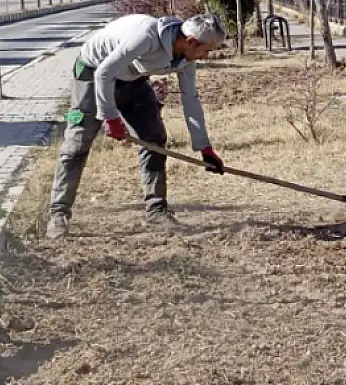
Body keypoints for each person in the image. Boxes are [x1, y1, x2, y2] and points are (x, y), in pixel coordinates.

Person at [47, 12, 228, 238]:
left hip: (132, 78)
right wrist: (110, 117)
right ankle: (58, 214)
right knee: (78, 143)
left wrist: (204, 147)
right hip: (93, 71)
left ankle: (157, 211)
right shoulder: (146, 37)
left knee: (154, 138)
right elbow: (104, 73)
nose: (205, 56)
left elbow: (190, 99)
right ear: (191, 41)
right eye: (206, 50)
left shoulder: (185, 58)